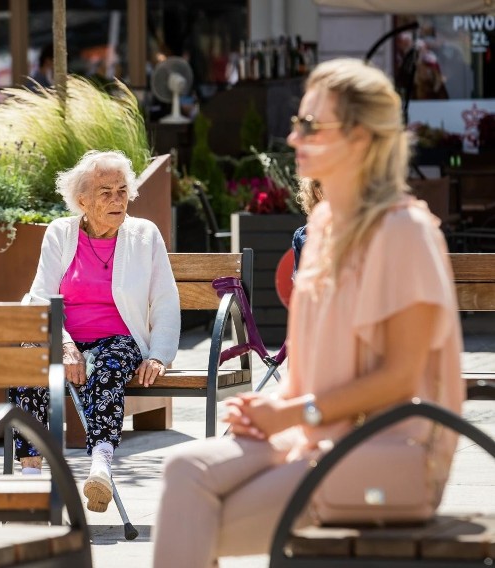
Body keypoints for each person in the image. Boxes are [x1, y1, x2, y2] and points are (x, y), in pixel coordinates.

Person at [153, 58, 464, 567]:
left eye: (310, 126)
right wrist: (266, 409)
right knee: (184, 468)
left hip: (388, 453)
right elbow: (312, 362)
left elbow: (400, 377)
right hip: (317, 432)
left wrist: (292, 413)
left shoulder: (404, 232)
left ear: (362, 138)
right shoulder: (321, 228)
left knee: (194, 519)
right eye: (298, 123)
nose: (293, 138)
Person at [11, 150, 180, 513]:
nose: (118, 199)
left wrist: (158, 355)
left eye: (122, 190)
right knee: (27, 358)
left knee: (111, 365)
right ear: (82, 200)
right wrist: (64, 344)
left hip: (118, 340)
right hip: (67, 337)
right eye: (106, 192)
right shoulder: (61, 233)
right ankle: (29, 474)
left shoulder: (143, 235)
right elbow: (41, 295)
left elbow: (165, 298)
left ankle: (101, 465)